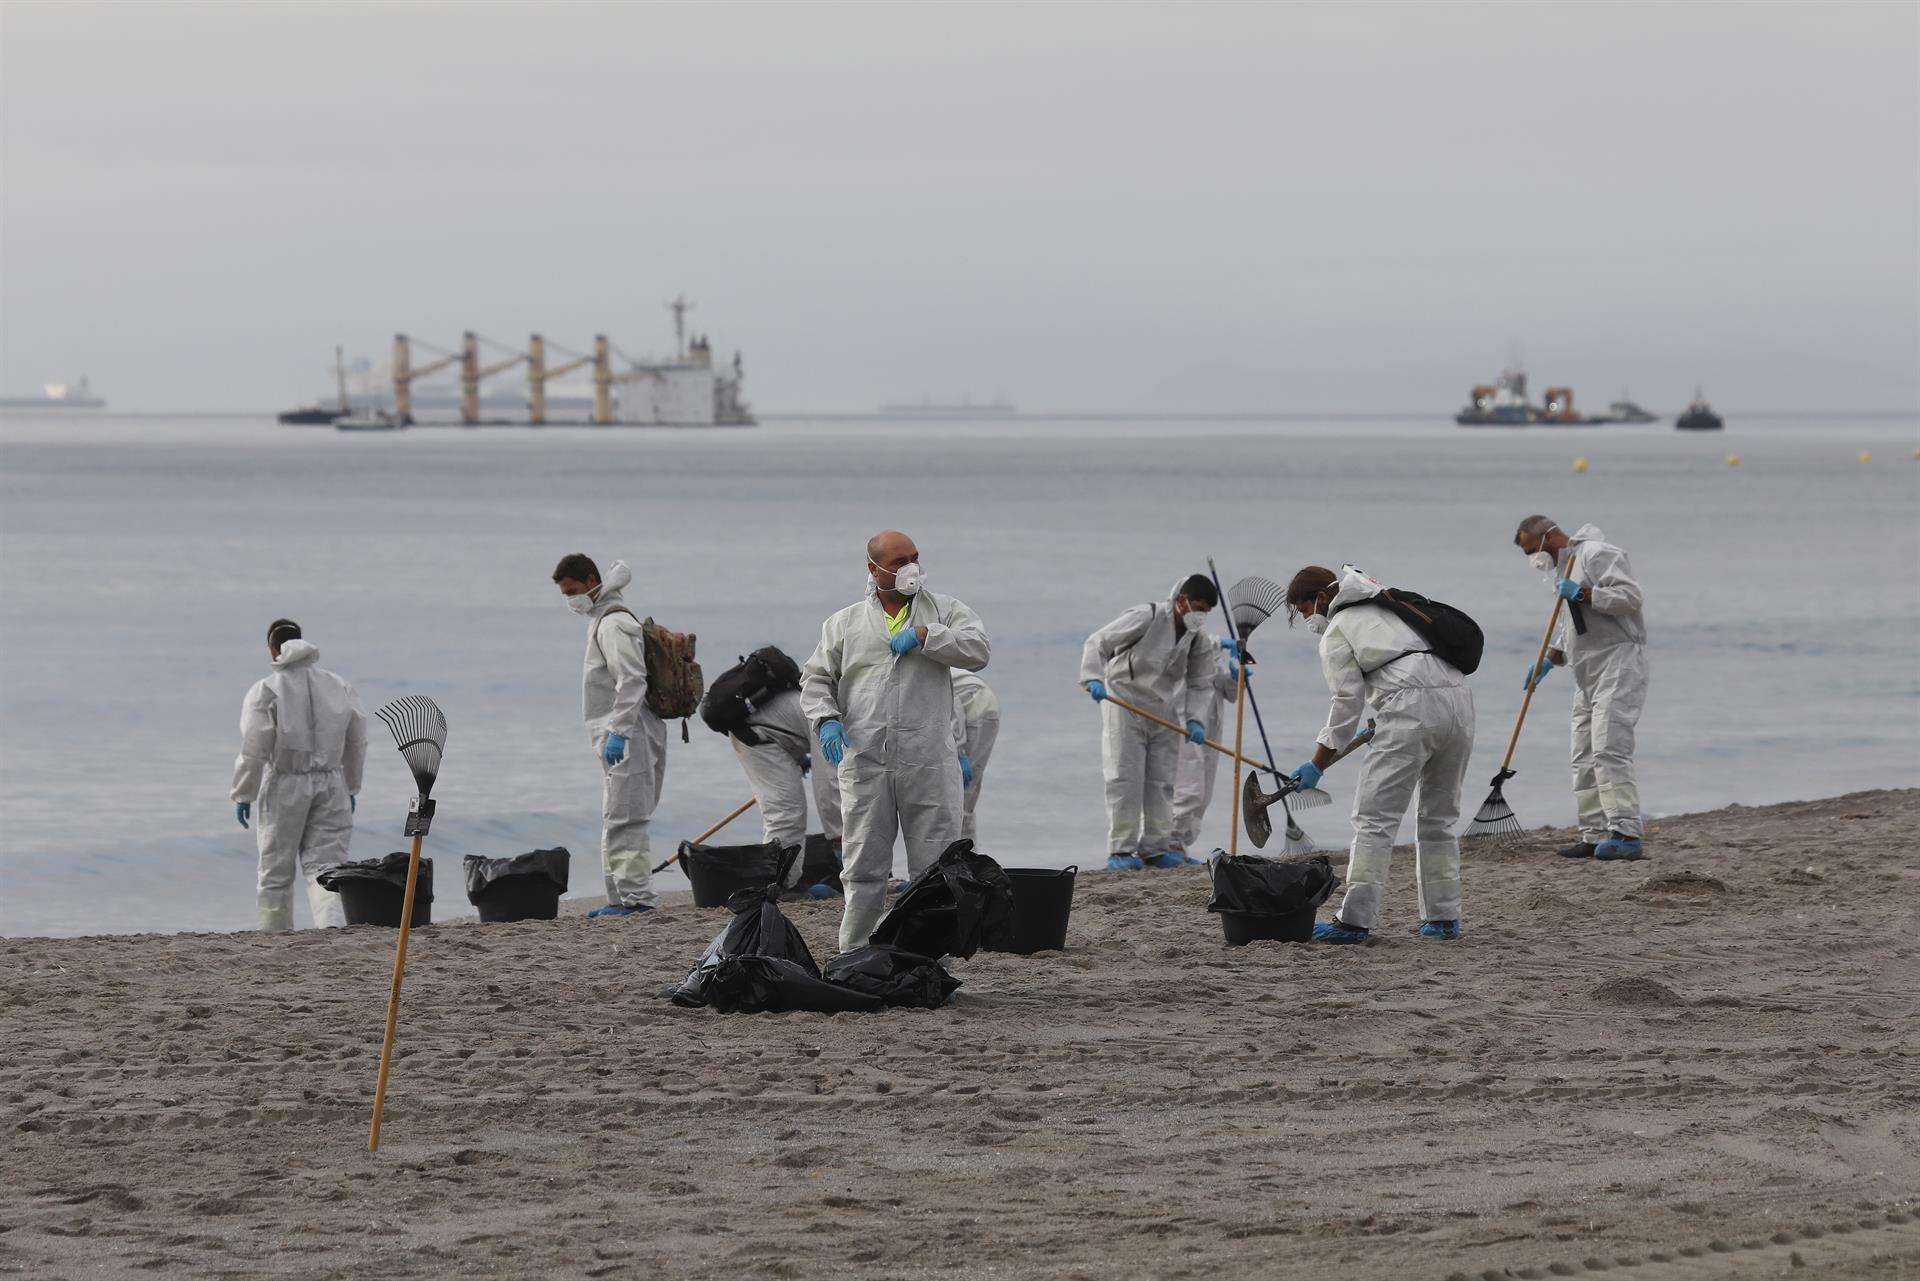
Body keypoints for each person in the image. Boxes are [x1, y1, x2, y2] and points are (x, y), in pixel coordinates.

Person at [800, 529, 991, 952]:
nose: (911, 568)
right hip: (866, 760)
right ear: (874, 569)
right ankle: (855, 954)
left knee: (935, 865)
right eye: (899, 562)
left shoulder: (945, 609)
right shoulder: (845, 623)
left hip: (928, 759)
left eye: (914, 558)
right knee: (863, 866)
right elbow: (815, 679)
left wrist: (927, 636)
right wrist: (826, 719)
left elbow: (978, 650)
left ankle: (929, 959)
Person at [1286, 565, 1475, 943]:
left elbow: (1345, 702)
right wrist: (1387, 715)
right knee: (1439, 819)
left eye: (1305, 610)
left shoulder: (1338, 629)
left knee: (1373, 819)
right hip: (1459, 704)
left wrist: (1317, 763)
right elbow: (1409, 666)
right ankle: (1443, 918)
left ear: (1321, 598)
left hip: (1410, 710)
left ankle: (1354, 921)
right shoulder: (1388, 606)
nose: (1308, 620)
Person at [1513, 516, 1649, 861]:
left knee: (1609, 749)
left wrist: (1585, 593)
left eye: (1532, 550)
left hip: (1618, 662)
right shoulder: (1564, 568)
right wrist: (1548, 660)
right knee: (1583, 755)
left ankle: (1626, 832)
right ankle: (1594, 832)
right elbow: (1572, 625)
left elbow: (1631, 597)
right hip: (1585, 670)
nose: (1533, 559)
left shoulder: (1597, 554)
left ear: (1549, 537)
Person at [1079, 574, 1223, 870]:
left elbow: (1200, 682)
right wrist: (1093, 677)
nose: (1201, 616)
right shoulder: (1146, 616)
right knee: (1125, 777)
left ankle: (1156, 848)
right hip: (1125, 701)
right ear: (1182, 600)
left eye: (1207, 612)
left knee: (1162, 781)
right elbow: (1098, 642)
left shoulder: (1197, 639)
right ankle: (1121, 849)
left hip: (1163, 710)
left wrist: (1195, 720)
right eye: (1199, 608)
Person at [231, 619, 366, 932]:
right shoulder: (338, 685)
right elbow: (357, 740)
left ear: (272, 649)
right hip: (332, 783)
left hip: (285, 782)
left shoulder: (266, 689)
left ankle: (275, 931)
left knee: (275, 869)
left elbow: (254, 747)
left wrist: (244, 793)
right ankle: (331, 928)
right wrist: (351, 785)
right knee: (327, 866)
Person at [553, 553, 667, 918]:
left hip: (630, 733)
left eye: (572, 590)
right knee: (616, 816)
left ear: (591, 581)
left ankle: (636, 899)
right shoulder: (602, 618)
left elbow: (632, 680)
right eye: (565, 594)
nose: (570, 600)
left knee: (628, 818)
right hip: (619, 734)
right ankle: (619, 896)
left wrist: (619, 731)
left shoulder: (614, 623)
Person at [725, 649, 844, 890]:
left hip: (773, 732)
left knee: (789, 811)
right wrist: (839, 837)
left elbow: (788, 725)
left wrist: (798, 757)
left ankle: (785, 882)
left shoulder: (831, 700)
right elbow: (828, 785)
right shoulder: (830, 715)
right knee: (786, 812)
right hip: (755, 736)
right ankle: (779, 885)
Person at [1169, 635, 1243, 859]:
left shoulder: (1214, 653)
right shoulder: (1187, 642)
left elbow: (1228, 692)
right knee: (1189, 789)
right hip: (1186, 725)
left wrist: (1237, 677)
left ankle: (1180, 845)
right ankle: (1168, 842)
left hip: (1211, 731)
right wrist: (1218, 644)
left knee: (1204, 794)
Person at [952, 670, 1000, 841]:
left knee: (960, 792)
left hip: (976, 709)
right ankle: (966, 849)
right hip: (984, 704)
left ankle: (961, 850)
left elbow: (952, 708)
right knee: (967, 792)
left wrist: (960, 752)